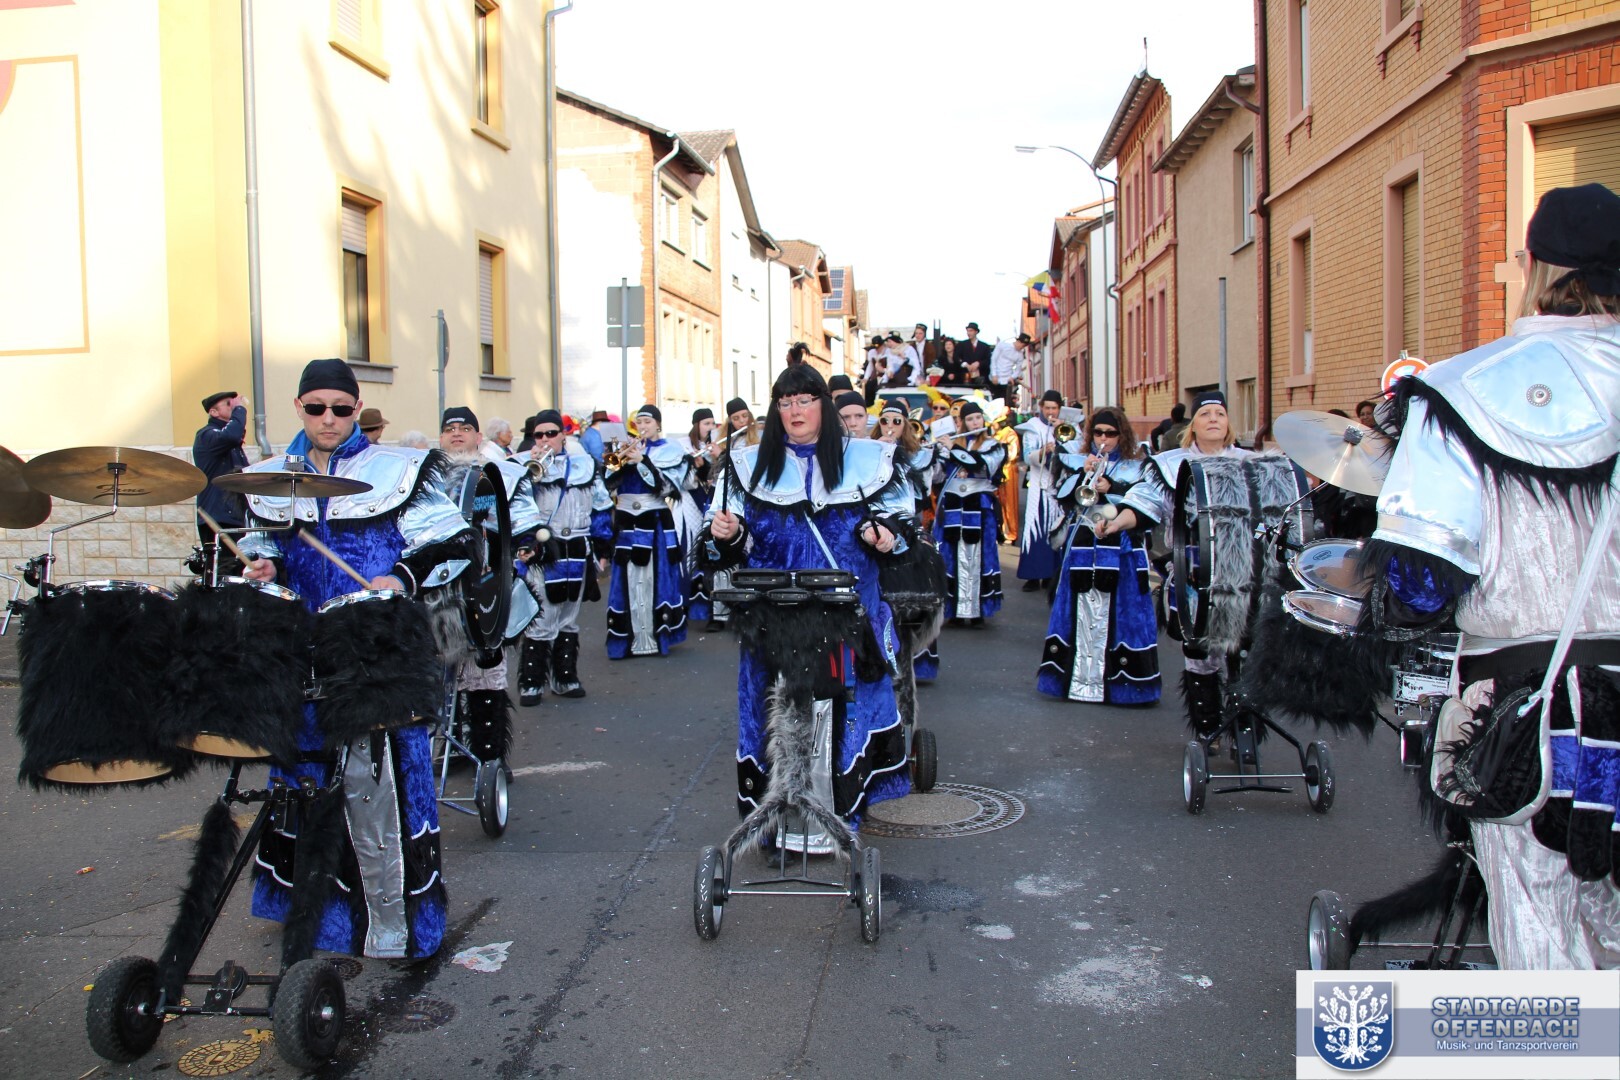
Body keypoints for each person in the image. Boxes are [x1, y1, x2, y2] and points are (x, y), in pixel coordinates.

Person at [1360, 183, 1620, 969]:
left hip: (1527, 709)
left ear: (1537, 266)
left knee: (1541, 925)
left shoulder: (1459, 391)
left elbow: (1421, 583)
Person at [238, 358, 474, 961]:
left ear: (356, 409)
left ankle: (392, 925)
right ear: (299, 408)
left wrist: (401, 577)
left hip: (377, 651)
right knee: (303, 777)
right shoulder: (272, 478)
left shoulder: (398, 469)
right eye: (316, 408)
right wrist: (264, 565)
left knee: (382, 782)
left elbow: (456, 542)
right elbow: (265, 545)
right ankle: (311, 917)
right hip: (301, 648)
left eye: (341, 409)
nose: (329, 419)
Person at [700, 364, 913, 848]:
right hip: (772, 618)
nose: (794, 410)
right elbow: (721, 544)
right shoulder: (744, 465)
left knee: (841, 714)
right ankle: (780, 823)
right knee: (777, 715)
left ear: (823, 405)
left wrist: (885, 536)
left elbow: (904, 531)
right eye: (785, 402)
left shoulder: (870, 460)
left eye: (804, 400)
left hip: (847, 619)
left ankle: (837, 819)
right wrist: (727, 535)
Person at [1097, 390, 1249, 741]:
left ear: (1228, 423)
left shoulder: (1250, 464)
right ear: (1193, 425)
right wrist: (1116, 523)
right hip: (1194, 571)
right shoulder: (1169, 464)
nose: (1213, 419)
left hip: (1243, 573)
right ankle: (1208, 729)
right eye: (1205, 414)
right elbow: (1143, 503)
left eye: (1220, 414)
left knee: (1244, 651)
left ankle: (1246, 730)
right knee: (1201, 654)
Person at [437, 406, 543, 742]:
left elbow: (524, 520)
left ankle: (488, 754)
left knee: (485, 675)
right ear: (440, 437)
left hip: (486, 585)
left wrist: (527, 544)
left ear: (478, 437)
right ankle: (451, 750)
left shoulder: (502, 475)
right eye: (450, 429)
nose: (457, 433)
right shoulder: (422, 480)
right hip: (437, 591)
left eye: (465, 428)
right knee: (438, 675)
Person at [1038, 408, 1159, 704]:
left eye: (1110, 433)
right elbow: (1064, 498)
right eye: (1098, 432)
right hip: (1084, 543)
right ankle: (1078, 681)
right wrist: (1085, 472)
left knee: (1124, 611)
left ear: (1122, 435)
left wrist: (1112, 486)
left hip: (1122, 546)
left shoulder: (1138, 465)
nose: (1103, 438)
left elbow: (1147, 501)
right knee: (1076, 608)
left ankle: (1125, 686)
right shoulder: (1081, 460)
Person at [517, 410, 612, 702]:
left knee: (569, 616)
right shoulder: (522, 466)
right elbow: (518, 510)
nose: (545, 439)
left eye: (551, 433)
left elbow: (601, 505)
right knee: (542, 615)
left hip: (579, 546)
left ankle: (565, 677)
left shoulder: (584, 464)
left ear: (563, 435)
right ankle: (531, 681)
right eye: (539, 435)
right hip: (545, 548)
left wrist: (603, 547)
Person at [602, 405, 694, 659]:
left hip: (654, 520)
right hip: (626, 521)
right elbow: (608, 485)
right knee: (625, 577)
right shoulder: (626, 448)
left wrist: (642, 461)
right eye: (639, 422)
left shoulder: (670, 450)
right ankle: (627, 639)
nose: (642, 426)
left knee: (658, 575)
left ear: (658, 424)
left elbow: (666, 488)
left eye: (647, 422)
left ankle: (656, 636)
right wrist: (618, 459)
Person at [935, 401, 1007, 626]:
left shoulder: (993, 445)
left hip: (980, 506)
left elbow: (980, 465)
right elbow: (937, 477)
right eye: (970, 419)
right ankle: (954, 610)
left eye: (978, 418)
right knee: (949, 555)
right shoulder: (950, 443)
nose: (975, 423)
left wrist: (953, 449)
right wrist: (934, 453)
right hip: (953, 506)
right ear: (962, 423)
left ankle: (977, 610)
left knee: (980, 554)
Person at [1016, 389, 1065, 591]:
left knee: (1058, 528)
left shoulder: (1068, 426)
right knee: (1035, 527)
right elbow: (1028, 457)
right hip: (1039, 484)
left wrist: (1063, 437)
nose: (1050, 412)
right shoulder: (1033, 427)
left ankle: (1053, 575)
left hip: (1059, 486)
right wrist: (1043, 450)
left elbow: (1078, 450)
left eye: (1054, 408)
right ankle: (1033, 575)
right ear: (1041, 408)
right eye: (1047, 408)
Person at [192, 390, 249, 547]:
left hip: (235, 517)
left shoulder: (232, 444)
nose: (234, 406)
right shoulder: (206, 435)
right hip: (217, 517)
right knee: (224, 561)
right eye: (229, 404)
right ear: (213, 412)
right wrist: (240, 409)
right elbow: (231, 435)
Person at [989, 333, 1031, 405]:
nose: (1021, 347)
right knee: (994, 399)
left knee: (1004, 401)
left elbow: (1018, 370)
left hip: (1006, 380)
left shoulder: (1020, 355)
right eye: (1022, 344)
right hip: (995, 377)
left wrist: (1012, 377)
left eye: (1024, 346)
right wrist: (994, 374)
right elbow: (993, 359)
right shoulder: (1002, 346)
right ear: (1018, 341)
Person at [959, 322, 992, 391]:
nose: (968, 333)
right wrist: (965, 364)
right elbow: (957, 357)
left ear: (976, 332)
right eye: (967, 331)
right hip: (965, 379)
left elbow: (988, 360)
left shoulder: (984, 346)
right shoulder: (962, 344)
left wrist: (979, 363)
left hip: (980, 379)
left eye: (971, 331)